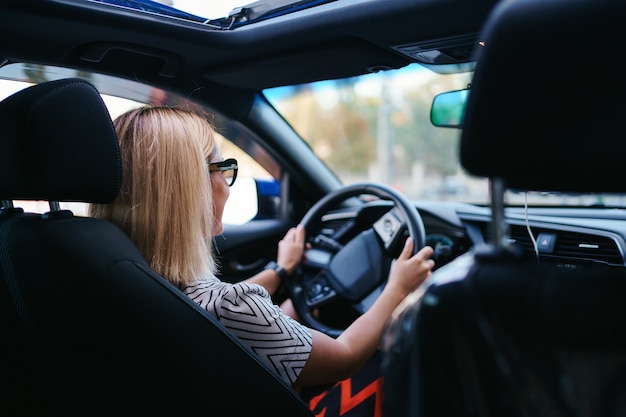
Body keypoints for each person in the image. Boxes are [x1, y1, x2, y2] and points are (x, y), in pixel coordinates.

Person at [89, 105, 434, 406]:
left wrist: (282, 271)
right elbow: (343, 357)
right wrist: (397, 289)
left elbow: (223, 316)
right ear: (192, 187)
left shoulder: (112, 274)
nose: (226, 182)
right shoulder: (232, 307)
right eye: (221, 168)